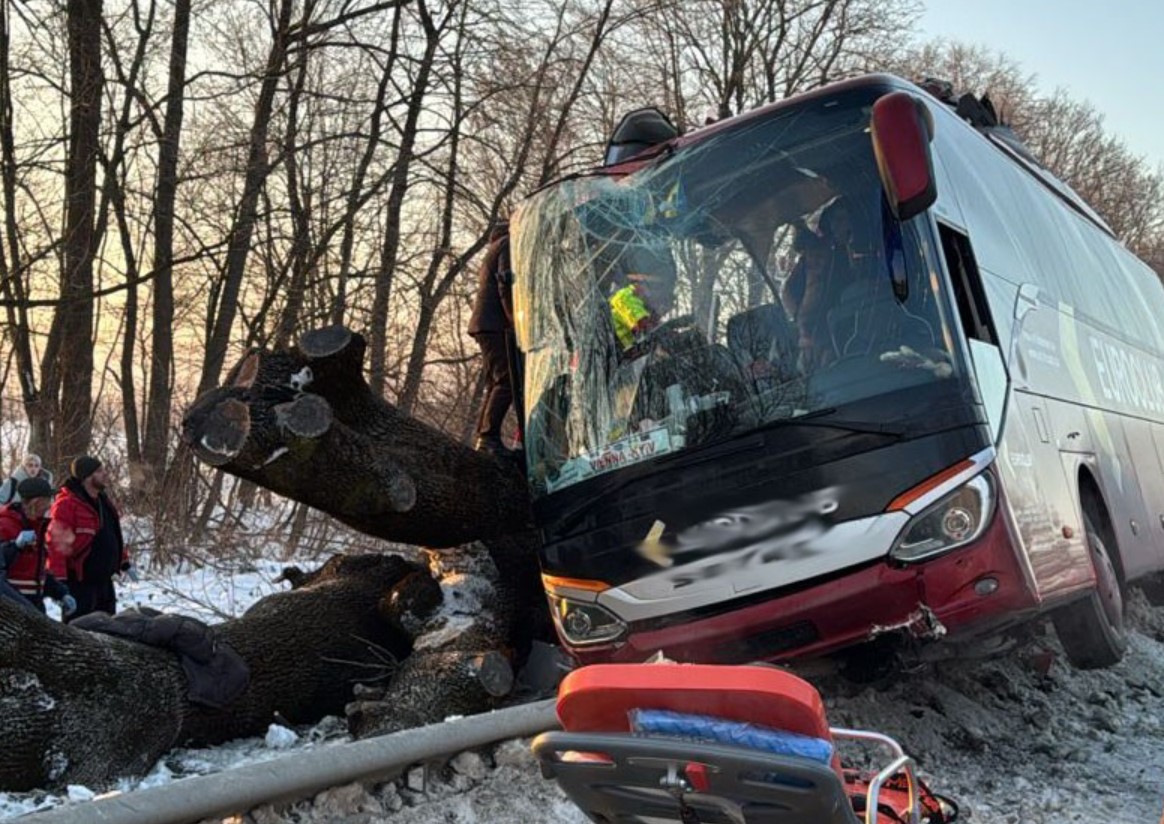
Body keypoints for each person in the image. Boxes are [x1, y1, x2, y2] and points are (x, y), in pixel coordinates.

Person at [46, 456, 135, 621]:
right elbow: (56, 544)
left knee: (109, 630)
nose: (105, 474)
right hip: (79, 583)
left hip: (104, 583)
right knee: (79, 632)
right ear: (87, 476)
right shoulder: (67, 504)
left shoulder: (104, 501)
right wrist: (60, 582)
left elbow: (112, 535)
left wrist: (124, 562)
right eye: (99, 471)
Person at [468, 220, 518, 457]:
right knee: (508, 379)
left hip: (484, 324)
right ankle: (488, 437)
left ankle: (484, 438)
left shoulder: (491, 249)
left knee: (496, 382)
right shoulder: (507, 244)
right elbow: (505, 283)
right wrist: (514, 319)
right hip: (495, 323)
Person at [0, 477, 75, 616]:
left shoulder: (38, 526)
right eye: (48, 500)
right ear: (36, 502)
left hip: (35, 606)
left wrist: (61, 593)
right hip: (12, 608)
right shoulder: (5, 525)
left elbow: (37, 572)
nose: (50, 505)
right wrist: (15, 546)